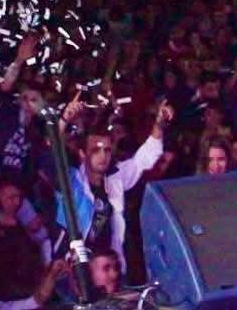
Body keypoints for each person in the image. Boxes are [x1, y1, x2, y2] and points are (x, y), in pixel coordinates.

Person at [57, 100, 172, 268]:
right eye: (96, 150)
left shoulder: (115, 178)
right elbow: (52, 154)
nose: (103, 155)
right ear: (83, 154)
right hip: (72, 270)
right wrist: (64, 120)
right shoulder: (71, 180)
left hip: (109, 268)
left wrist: (159, 125)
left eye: (107, 150)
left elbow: (144, 158)